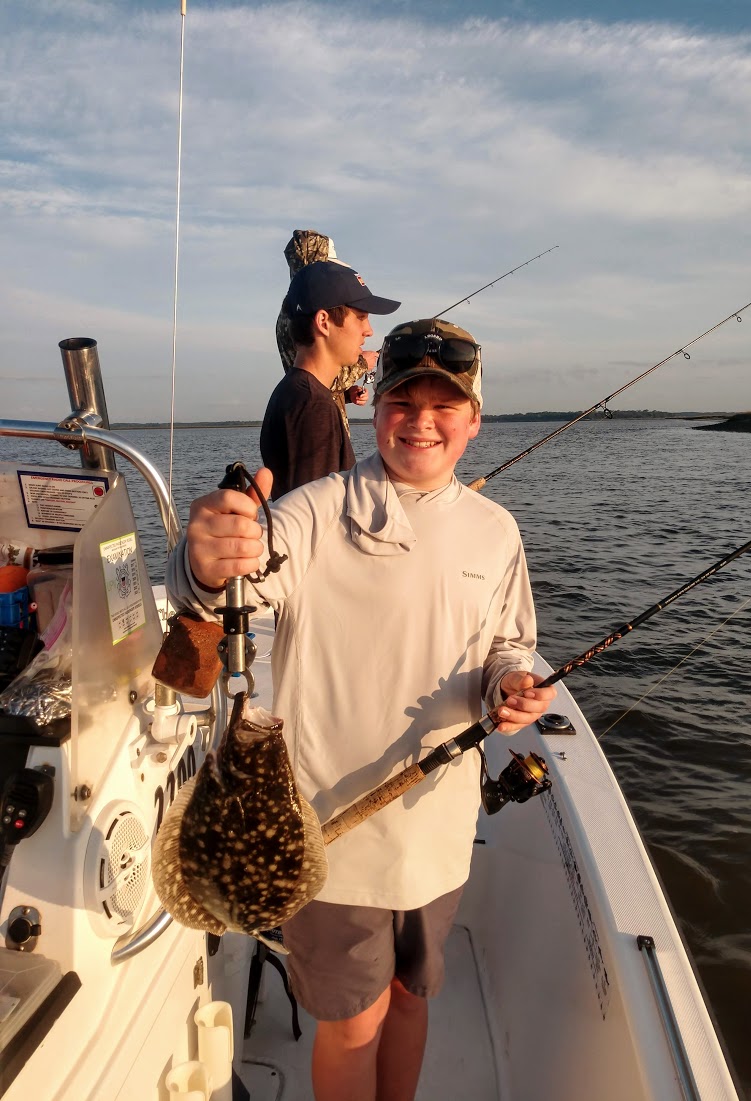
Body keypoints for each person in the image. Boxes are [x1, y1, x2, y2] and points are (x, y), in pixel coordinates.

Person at [167, 317, 557, 1101]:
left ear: (474, 420)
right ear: (373, 411)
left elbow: (508, 644)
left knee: (412, 997)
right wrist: (204, 559)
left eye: (444, 405)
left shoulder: (495, 531)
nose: (421, 421)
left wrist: (510, 685)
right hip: (323, 834)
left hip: (438, 831)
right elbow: (220, 591)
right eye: (402, 401)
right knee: (353, 1021)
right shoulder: (312, 513)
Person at [260, 259, 400, 499]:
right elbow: (316, 514)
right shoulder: (314, 405)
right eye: (361, 317)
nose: (369, 330)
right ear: (323, 322)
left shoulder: (294, 392)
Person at [275, 229, 380, 436]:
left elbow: (318, 383)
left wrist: (347, 395)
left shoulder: (293, 308)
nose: (368, 331)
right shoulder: (301, 313)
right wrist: (363, 364)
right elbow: (316, 376)